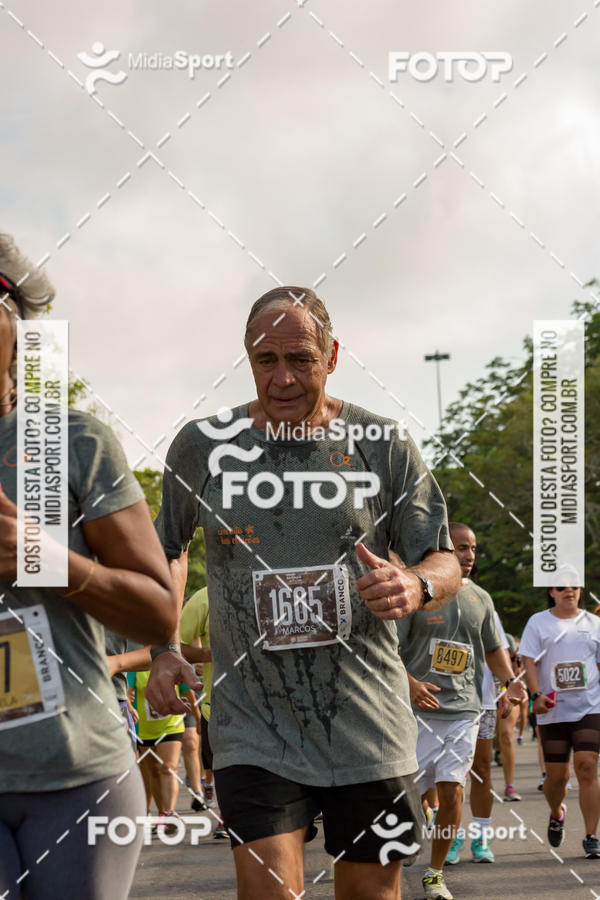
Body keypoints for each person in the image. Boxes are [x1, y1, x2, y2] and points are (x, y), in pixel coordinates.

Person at [147, 286, 461, 900]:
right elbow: (169, 550)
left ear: (333, 355)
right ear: (248, 359)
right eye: (267, 361)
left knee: (373, 895)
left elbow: (443, 559)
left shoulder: (384, 444)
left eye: (302, 360)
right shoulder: (203, 446)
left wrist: (417, 584)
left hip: (367, 720)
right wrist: (163, 646)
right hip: (253, 724)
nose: (283, 377)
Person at [0, 233, 178, 899]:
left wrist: (50, 562)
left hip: (77, 778)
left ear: (15, 325)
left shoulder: (69, 442)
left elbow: (158, 609)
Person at [397, 522, 526, 900]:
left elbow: (492, 649)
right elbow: (392, 650)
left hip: (464, 711)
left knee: (453, 790)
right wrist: (411, 684)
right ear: (441, 551)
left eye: (472, 548)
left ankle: (435, 874)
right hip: (418, 713)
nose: (469, 556)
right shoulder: (417, 593)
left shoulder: (481, 599)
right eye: (460, 548)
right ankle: (412, 833)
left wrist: (510, 681)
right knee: (413, 797)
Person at [520, 566, 600, 858]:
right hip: (552, 708)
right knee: (557, 778)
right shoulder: (538, 623)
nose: (570, 591)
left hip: (590, 706)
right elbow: (528, 661)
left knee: (588, 766)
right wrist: (535, 695)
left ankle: (592, 836)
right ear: (552, 592)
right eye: (563, 587)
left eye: (575, 586)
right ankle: (557, 811)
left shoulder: (594, 623)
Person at [179, 586, 228, 838]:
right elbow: (176, 645)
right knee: (225, 765)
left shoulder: (270, 582)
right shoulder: (204, 598)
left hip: (270, 702)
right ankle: (225, 815)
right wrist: (208, 654)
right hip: (218, 705)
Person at [467, 607, 510, 863]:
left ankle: (481, 836)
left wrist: (507, 686)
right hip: (437, 702)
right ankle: (448, 836)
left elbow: (497, 650)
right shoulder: (426, 597)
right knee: (444, 776)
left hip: (481, 701)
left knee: (481, 769)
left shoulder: (482, 604)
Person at [494, 634, 522, 801]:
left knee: (506, 736)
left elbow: (515, 665)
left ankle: (509, 785)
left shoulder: (507, 639)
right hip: (479, 689)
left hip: (503, 687)